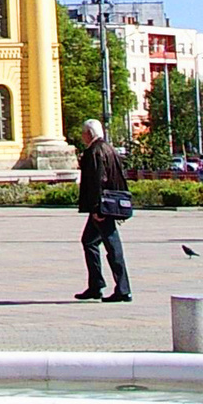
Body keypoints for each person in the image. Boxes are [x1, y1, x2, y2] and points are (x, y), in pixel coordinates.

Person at [76, 118, 131, 303]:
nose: (82, 137)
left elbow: (98, 181)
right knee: (89, 241)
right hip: (110, 204)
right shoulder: (109, 148)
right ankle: (95, 285)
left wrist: (96, 209)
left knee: (112, 246)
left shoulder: (95, 151)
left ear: (89, 134)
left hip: (102, 207)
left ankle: (122, 289)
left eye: (83, 133)